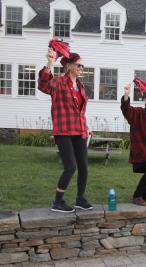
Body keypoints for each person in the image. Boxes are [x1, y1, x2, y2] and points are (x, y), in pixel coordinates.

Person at [38, 48, 93, 212]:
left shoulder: (81, 86)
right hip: (63, 131)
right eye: (79, 65)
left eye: (83, 66)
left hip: (79, 131)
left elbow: (79, 111)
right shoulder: (59, 82)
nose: (81, 68)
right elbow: (43, 85)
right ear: (69, 66)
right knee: (70, 166)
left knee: (83, 166)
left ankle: (80, 199)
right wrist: (49, 62)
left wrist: (86, 127)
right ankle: (57, 201)